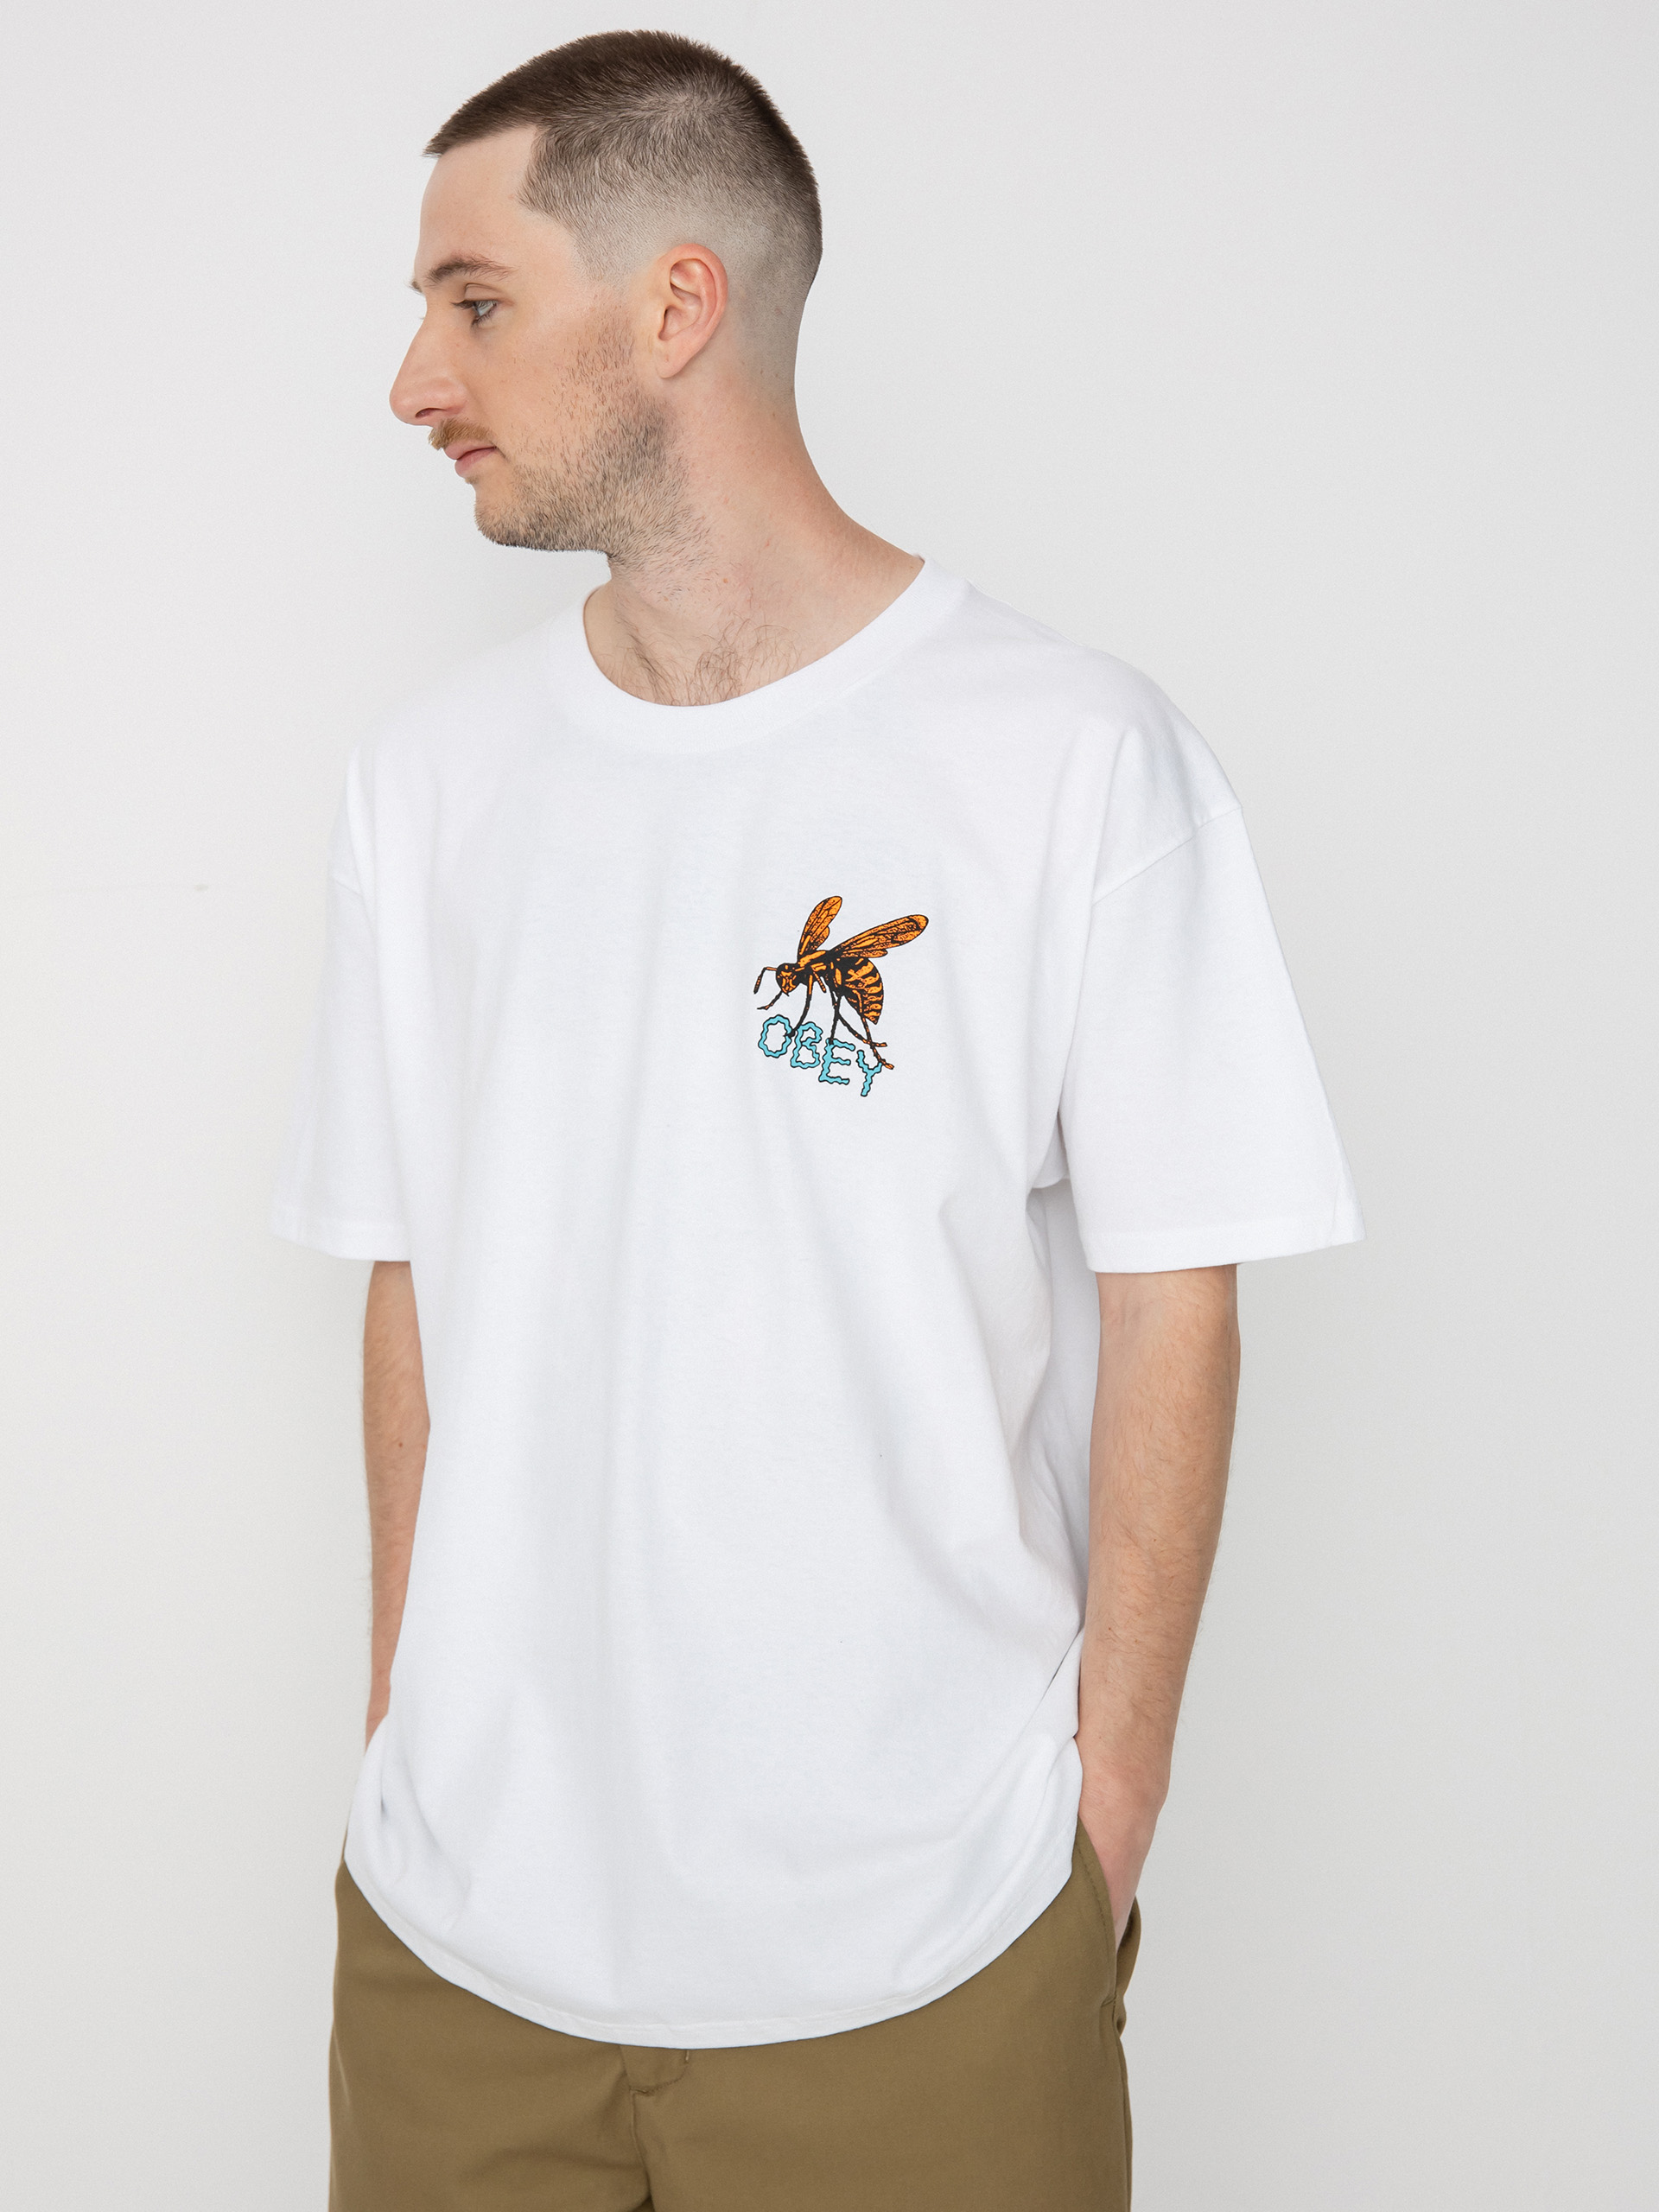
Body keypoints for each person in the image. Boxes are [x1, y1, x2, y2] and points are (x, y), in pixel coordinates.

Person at [273, 29, 1362, 2211]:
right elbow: (410, 1275)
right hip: (459, 1959)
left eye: (474, 301)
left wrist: (1104, 1821)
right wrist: (406, 1733)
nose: (413, 379)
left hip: (929, 1965)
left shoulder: (1072, 760)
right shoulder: (430, 786)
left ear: (676, 305)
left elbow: (1179, 1298)